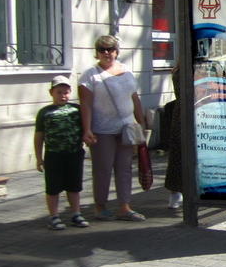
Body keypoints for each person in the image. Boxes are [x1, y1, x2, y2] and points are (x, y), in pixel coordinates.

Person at [79, 36, 146, 221]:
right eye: (102, 50)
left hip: (126, 128)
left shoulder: (127, 71)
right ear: (97, 53)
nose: (107, 53)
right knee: (103, 169)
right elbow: (85, 104)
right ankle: (100, 207)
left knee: (124, 168)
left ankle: (124, 207)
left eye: (110, 49)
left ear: (117, 51)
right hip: (102, 130)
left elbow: (134, 98)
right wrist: (87, 129)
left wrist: (141, 123)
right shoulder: (90, 75)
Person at [34, 76, 89, 230]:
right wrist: (39, 157)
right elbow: (39, 135)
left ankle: (76, 214)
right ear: (51, 92)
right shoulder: (45, 112)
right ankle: (53, 216)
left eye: (66, 92)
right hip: (54, 154)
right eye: (59, 92)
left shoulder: (76, 110)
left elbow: (86, 126)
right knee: (53, 187)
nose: (63, 95)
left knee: (74, 186)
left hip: (74, 153)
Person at [163, 66, 182, 210]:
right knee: (178, 154)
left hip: (196, 112)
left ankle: (176, 192)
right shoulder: (181, 69)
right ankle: (175, 191)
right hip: (185, 114)